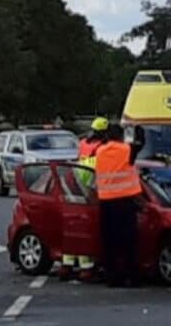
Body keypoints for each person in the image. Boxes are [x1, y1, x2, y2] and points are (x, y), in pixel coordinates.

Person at [60, 118, 109, 281]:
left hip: (71, 181)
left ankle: (66, 264)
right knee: (84, 228)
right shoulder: (102, 151)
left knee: (72, 226)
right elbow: (95, 182)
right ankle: (86, 268)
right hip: (84, 185)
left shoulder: (83, 143)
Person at [95, 123, 143, 287]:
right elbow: (141, 143)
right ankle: (133, 278)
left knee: (110, 243)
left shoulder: (100, 152)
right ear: (122, 136)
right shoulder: (127, 150)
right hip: (125, 202)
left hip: (106, 203)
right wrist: (138, 128)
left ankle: (112, 278)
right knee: (129, 242)